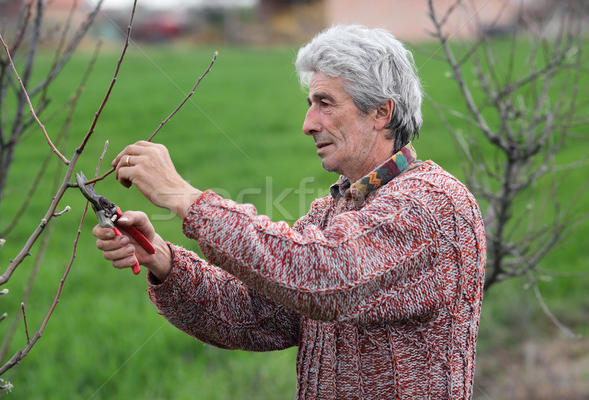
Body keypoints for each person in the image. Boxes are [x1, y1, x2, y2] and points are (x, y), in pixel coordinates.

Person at [94, 25, 486, 399]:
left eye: (325, 104)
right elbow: (255, 315)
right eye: (310, 103)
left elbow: (325, 276)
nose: (308, 124)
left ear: (381, 112)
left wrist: (186, 198)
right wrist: (163, 260)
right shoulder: (332, 213)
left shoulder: (434, 204)